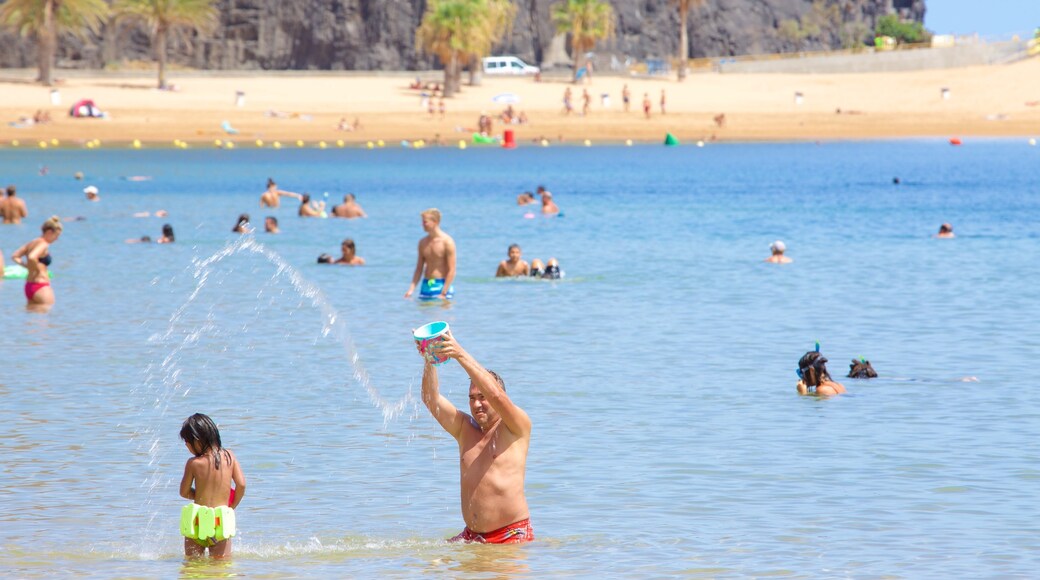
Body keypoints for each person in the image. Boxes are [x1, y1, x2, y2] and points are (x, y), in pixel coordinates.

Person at [419, 331, 533, 544]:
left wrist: (459, 353)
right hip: (470, 536)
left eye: (483, 397)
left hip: (509, 535)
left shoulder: (517, 426)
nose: (477, 404)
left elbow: (497, 395)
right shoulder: (464, 428)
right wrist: (430, 359)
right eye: (472, 398)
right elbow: (430, 398)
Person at [179, 413, 246, 559]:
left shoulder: (193, 463)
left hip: (197, 522)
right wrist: (231, 507)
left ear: (197, 440)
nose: (186, 446)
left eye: (187, 442)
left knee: (192, 567)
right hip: (219, 522)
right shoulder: (229, 457)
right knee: (221, 568)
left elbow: (183, 492)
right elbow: (241, 484)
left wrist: (198, 495)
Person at [11, 216, 62, 310]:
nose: (57, 239)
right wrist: (37, 269)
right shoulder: (44, 244)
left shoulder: (32, 242)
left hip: (29, 286)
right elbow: (32, 257)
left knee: (32, 321)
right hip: (41, 287)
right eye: (56, 236)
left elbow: (15, 256)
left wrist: (26, 266)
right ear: (49, 232)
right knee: (46, 320)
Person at [405, 208, 456, 300]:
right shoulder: (422, 242)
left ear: (435, 222)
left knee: (443, 314)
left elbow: (452, 270)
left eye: (425, 222)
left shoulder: (447, 242)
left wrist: (444, 292)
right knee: (424, 313)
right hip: (426, 285)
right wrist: (411, 290)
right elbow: (419, 268)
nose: (422, 225)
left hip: (442, 285)